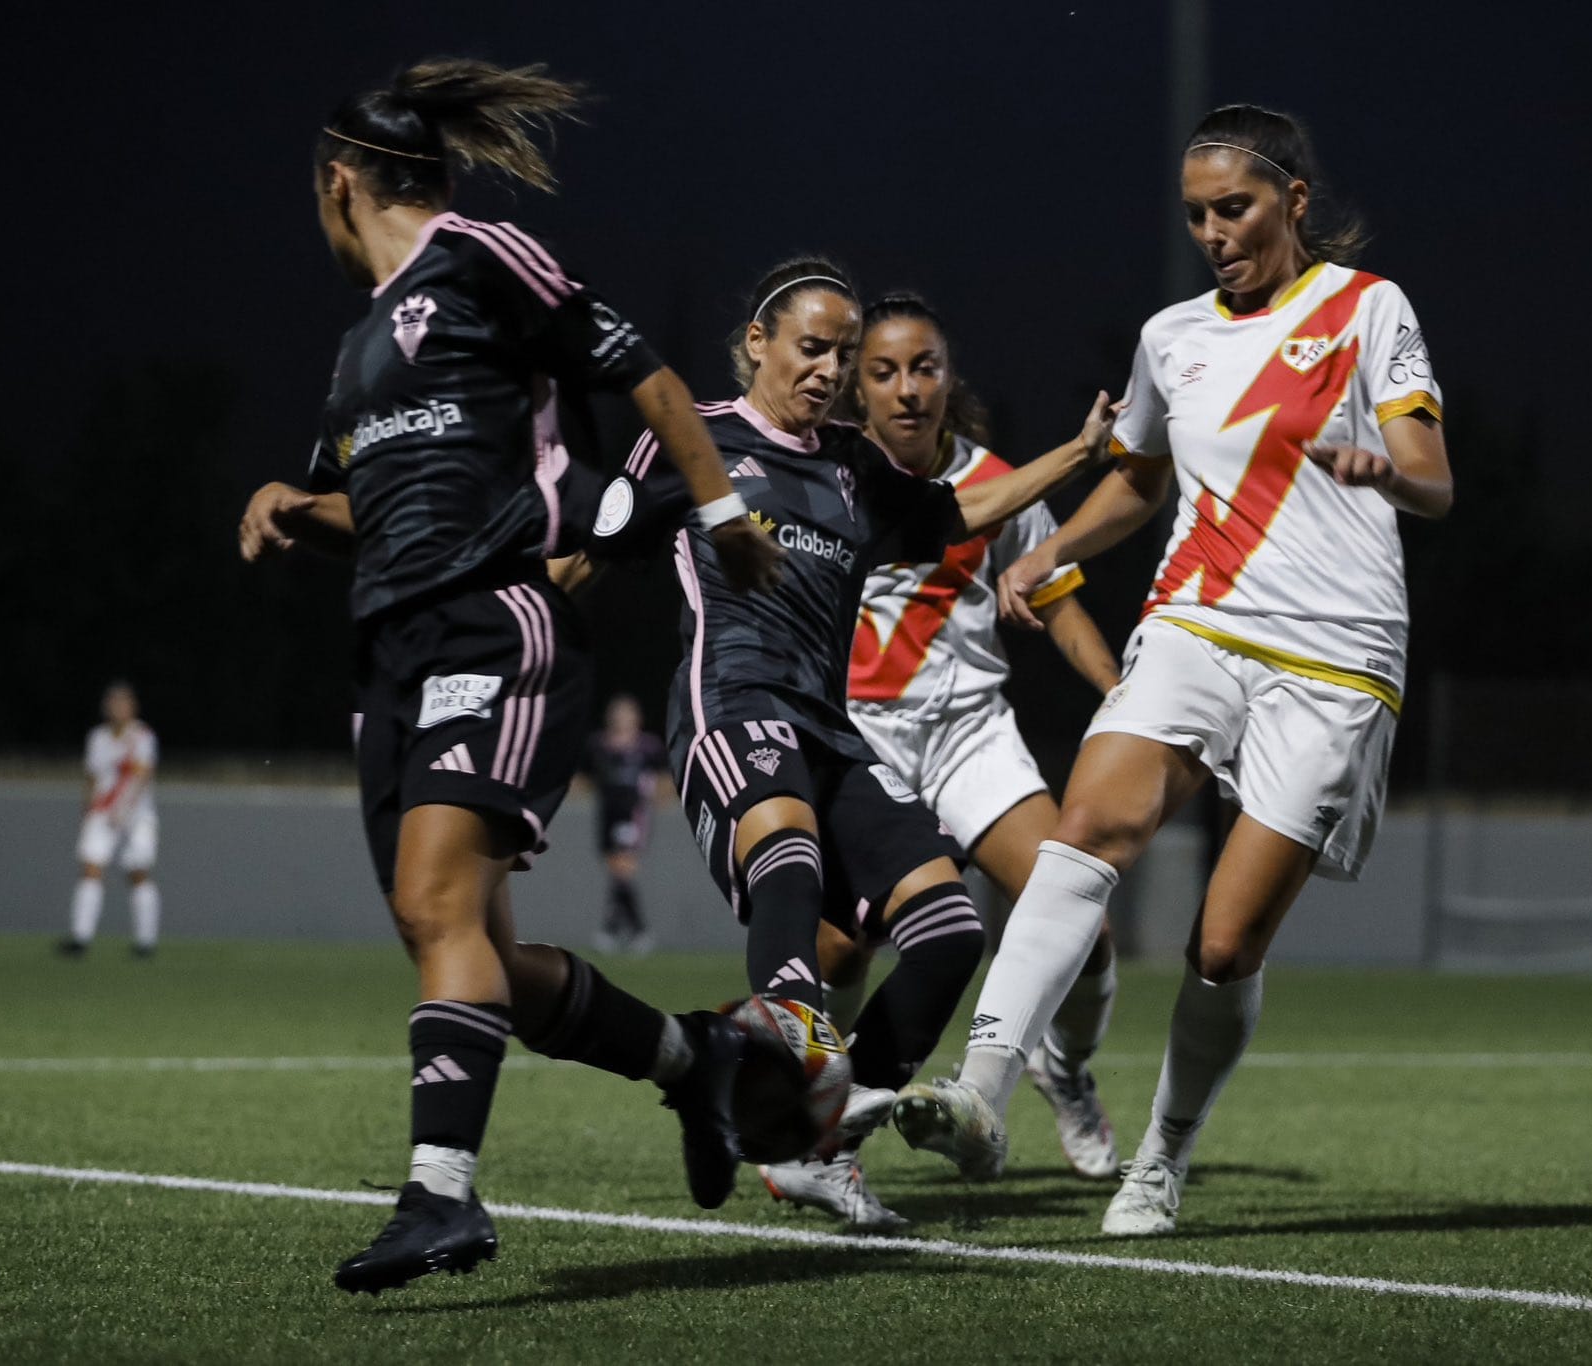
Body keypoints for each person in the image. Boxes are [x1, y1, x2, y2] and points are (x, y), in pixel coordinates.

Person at [236, 58, 783, 1294]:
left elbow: (637, 367)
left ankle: (440, 1200)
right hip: (390, 652)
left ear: (339, 184)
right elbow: (366, 510)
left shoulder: (481, 254)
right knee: (473, 951)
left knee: (440, 911)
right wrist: (289, 501)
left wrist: (720, 502)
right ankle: (694, 1063)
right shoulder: (355, 353)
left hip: (496, 627)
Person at [889, 104, 1453, 1238]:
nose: (1213, 231)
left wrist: (1376, 469)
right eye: (1195, 214)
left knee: (1221, 941)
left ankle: (1161, 1155)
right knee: (1087, 823)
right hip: (1196, 618)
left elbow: (1432, 479)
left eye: (1234, 207)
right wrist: (1051, 544)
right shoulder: (1169, 338)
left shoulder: (1364, 308)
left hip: (1335, 651)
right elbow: (1139, 483)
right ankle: (982, 1091)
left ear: (1292, 200)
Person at [590, 258, 1113, 1228]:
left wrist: (1076, 453)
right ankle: (794, 1053)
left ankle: (808, 1138)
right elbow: (585, 544)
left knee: (949, 929)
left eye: (842, 353)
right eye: (812, 347)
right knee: (786, 844)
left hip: (830, 730)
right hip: (729, 704)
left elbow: (953, 516)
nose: (829, 369)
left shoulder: (850, 464)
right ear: (758, 342)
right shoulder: (693, 438)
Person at [819, 292, 1126, 1181]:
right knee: (841, 946)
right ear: (856, 387)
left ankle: (1063, 1071)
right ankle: (827, 1106)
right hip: (861, 738)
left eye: (924, 368)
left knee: (1083, 920)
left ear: (950, 380)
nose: (907, 389)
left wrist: (1119, 695)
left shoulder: (999, 483)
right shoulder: (832, 479)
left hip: (968, 734)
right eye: (884, 372)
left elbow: (1057, 598)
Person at [58, 681, 161, 959]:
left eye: (124, 703)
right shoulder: (97, 738)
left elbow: (142, 776)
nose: (119, 708)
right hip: (103, 813)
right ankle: (80, 937)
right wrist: (88, 810)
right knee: (91, 868)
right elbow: (92, 777)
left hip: (136, 816)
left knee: (137, 872)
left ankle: (145, 942)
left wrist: (124, 811)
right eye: (114, 703)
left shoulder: (142, 737)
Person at [586, 694, 670, 954]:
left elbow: (663, 777)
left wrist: (656, 800)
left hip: (633, 812)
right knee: (615, 870)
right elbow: (587, 777)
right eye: (617, 712)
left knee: (623, 869)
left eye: (627, 712)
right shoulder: (599, 744)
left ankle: (624, 930)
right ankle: (629, 930)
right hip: (607, 812)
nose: (621, 718)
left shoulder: (648, 746)